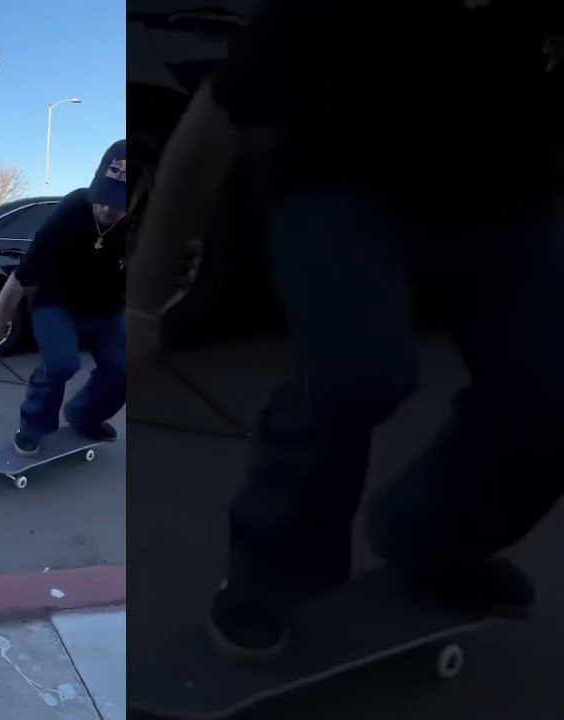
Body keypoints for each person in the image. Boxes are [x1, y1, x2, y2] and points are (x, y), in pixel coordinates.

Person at [128, 0, 564, 661]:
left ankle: (433, 537)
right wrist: (140, 309)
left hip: (505, 199)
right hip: (340, 190)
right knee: (357, 371)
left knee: (551, 387)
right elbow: (204, 139)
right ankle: (265, 578)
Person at [0, 140, 129, 456]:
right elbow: (17, 282)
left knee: (124, 369)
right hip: (56, 303)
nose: (107, 208)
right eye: (103, 199)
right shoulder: (69, 214)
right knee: (61, 363)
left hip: (106, 308)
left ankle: (85, 416)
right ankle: (33, 427)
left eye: (119, 203)